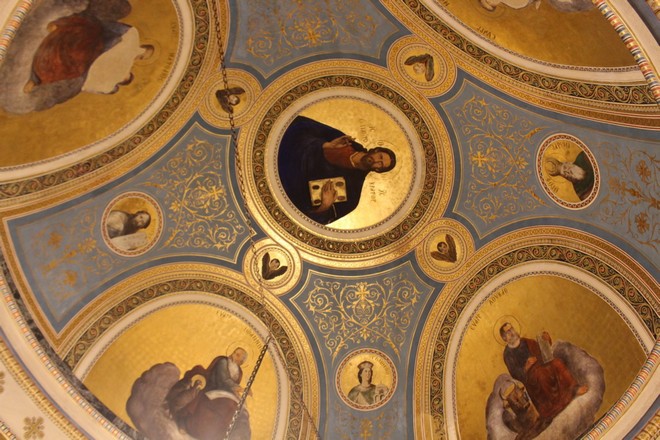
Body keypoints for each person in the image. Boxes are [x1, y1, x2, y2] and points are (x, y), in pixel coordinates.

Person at [278, 116, 397, 224]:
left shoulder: (352, 194)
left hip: (280, 187)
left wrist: (325, 206)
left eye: (380, 164)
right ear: (375, 151)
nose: (377, 161)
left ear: (377, 169)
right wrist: (325, 145)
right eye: (380, 157)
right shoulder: (343, 141)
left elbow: (312, 223)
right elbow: (299, 125)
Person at [499, 322, 588, 422]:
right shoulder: (508, 354)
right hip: (530, 377)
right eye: (508, 332)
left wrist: (547, 340)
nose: (511, 333)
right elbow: (515, 373)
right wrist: (526, 367)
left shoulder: (526, 341)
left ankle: (574, 389)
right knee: (540, 374)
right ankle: (555, 406)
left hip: (541, 364)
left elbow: (542, 350)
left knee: (557, 363)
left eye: (511, 329)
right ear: (504, 338)